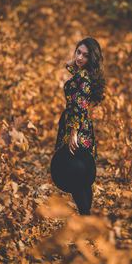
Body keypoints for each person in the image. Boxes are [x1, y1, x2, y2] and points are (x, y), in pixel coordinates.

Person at [50, 37, 106, 215]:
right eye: (78, 52)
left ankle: (85, 215)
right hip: (82, 125)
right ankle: (86, 213)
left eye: (85, 55)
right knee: (80, 171)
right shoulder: (85, 75)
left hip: (76, 126)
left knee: (75, 170)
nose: (80, 57)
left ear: (92, 59)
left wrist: (73, 132)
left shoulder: (83, 77)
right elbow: (73, 72)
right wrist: (72, 62)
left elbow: (80, 105)